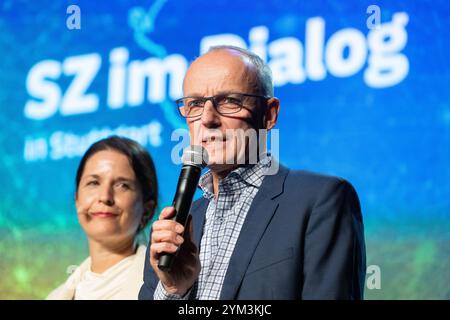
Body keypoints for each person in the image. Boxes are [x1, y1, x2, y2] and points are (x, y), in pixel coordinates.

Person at [139, 46, 366, 300]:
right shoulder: (174, 229)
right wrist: (173, 291)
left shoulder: (320, 200)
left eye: (229, 101)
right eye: (195, 104)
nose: (208, 118)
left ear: (269, 115)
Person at [47, 136, 158, 300]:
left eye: (122, 185)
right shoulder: (57, 295)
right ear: (77, 199)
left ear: (147, 210)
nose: (105, 197)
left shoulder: (165, 286)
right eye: (93, 183)